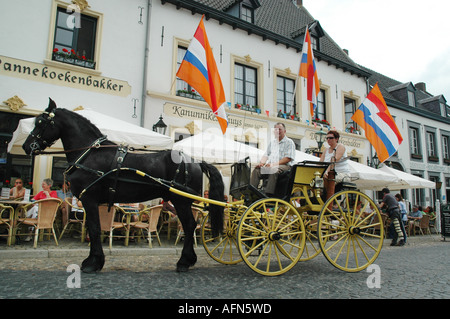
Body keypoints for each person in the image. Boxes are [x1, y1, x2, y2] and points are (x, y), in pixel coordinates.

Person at [250, 123, 295, 196]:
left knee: (273, 169)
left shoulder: (289, 142)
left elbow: (288, 158)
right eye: (276, 130)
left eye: (280, 129)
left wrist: (273, 164)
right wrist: (261, 163)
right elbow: (266, 155)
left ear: (285, 131)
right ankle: (252, 192)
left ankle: (268, 194)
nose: (277, 131)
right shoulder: (272, 142)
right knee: (257, 171)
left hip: (285, 166)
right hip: (272, 166)